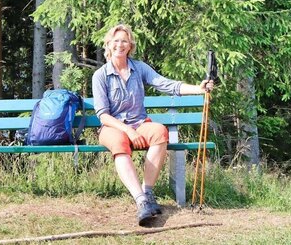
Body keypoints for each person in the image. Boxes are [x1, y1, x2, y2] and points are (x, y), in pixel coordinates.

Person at [92, 23, 214, 225]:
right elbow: (103, 116)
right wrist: (128, 131)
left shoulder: (139, 68)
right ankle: (140, 201)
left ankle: (147, 192)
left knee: (159, 132)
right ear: (108, 44)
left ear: (130, 45)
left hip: (139, 123)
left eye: (124, 41)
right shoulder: (100, 75)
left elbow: (167, 85)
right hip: (113, 127)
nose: (120, 45)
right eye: (116, 41)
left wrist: (199, 89)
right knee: (119, 144)